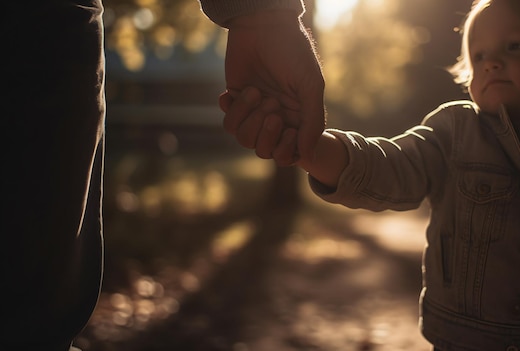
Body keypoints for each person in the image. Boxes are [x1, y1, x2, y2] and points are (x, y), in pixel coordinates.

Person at [220, 0, 520, 349]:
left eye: (515, 46)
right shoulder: (456, 134)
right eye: (479, 56)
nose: (492, 63)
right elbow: (387, 166)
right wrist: (310, 145)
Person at [0, 0, 320, 350]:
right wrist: (262, 17)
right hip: (39, 30)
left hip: (39, 28)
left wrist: (261, 16)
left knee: (31, 315)